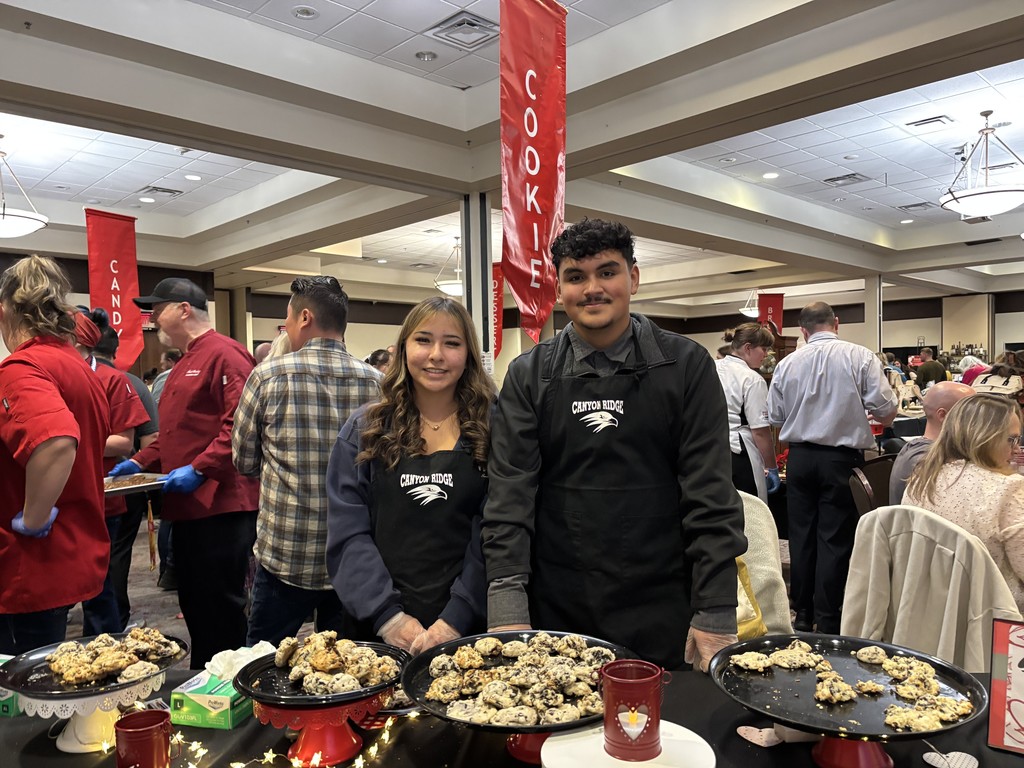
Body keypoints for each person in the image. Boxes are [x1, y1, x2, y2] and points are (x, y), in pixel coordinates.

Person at [481, 218, 746, 671]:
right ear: (559, 288)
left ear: (634, 278)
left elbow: (711, 495)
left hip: (663, 599)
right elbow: (509, 497)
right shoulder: (529, 374)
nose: (592, 289)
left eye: (607, 272)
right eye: (575, 277)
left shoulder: (686, 366)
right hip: (558, 599)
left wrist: (716, 608)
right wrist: (506, 610)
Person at [326, 297, 493, 654]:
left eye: (452, 343)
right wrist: (389, 617)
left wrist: (456, 619)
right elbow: (348, 533)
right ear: (403, 348)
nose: (436, 355)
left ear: (468, 354)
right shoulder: (364, 429)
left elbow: (494, 532)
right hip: (376, 629)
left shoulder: (495, 429)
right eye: (423, 340)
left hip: (470, 626)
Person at [109, 277, 258, 668]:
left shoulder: (226, 354)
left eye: (158, 309)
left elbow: (238, 429)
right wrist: (140, 463)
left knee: (221, 603)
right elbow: (174, 435)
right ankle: (205, 673)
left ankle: (228, 684)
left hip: (221, 505)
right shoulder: (183, 363)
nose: (154, 318)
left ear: (183, 309)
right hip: (188, 507)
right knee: (194, 598)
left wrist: (199, 468)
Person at [233, 276, 382, 646]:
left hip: (286, 553)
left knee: (262, 664)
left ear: (303, 318)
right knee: (346, 670)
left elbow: (243, 460)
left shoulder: (266, 377)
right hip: (355, 554)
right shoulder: (380, 384)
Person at [0, 255, 110, 654]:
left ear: (5, 311)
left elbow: (56, 440)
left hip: (30, 563)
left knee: (21, 696)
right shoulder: (75, 364)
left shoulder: (21, 367)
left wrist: (33, 517)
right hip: (71, 551)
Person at [767, 301, 897, 634]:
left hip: (800, 458)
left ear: (802, 330)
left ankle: (802, 612)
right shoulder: (861, 356)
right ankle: (827, 617)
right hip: (841, 458)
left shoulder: (787, 363)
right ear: (836, 323)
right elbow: (885, 411)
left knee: (801, 536)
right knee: (834, 538)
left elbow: (777, 417)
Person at [904, 394, 1024, 612]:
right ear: (985, 437)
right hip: (995, 621)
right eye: (1012, 439)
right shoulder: (1008, 489)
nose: (1016, 449)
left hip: (925, 615)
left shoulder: (920, 481)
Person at [73, 309, 150, 636]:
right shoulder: (48, 374)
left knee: (100, 587)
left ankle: (107, 645)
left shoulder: (112, 380)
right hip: (59, 496)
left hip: (103, 498)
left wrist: (65, 443)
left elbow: (123, 442)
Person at [92, 320, 160, 628]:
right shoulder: (131, 381)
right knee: (115, 557)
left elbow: (134, 442)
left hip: (117, 484)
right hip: (126, 484)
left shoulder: (116, 382)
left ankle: (111, 623)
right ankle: (115, 619)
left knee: (105, 560)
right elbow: (150, 441)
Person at [715, 323, 780, 502]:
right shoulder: (752, 378)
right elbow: (760, 431)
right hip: (739, 454)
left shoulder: (710, 367)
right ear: (748, 348)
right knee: (751, 514)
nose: (766, 355)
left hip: (710, 449)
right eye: (764, 349)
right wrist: (772, 467)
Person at [888, 381, 974, 504]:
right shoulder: (928, 460)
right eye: (970, 413)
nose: (978, 420)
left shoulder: (914, 449)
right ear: (943, 415)